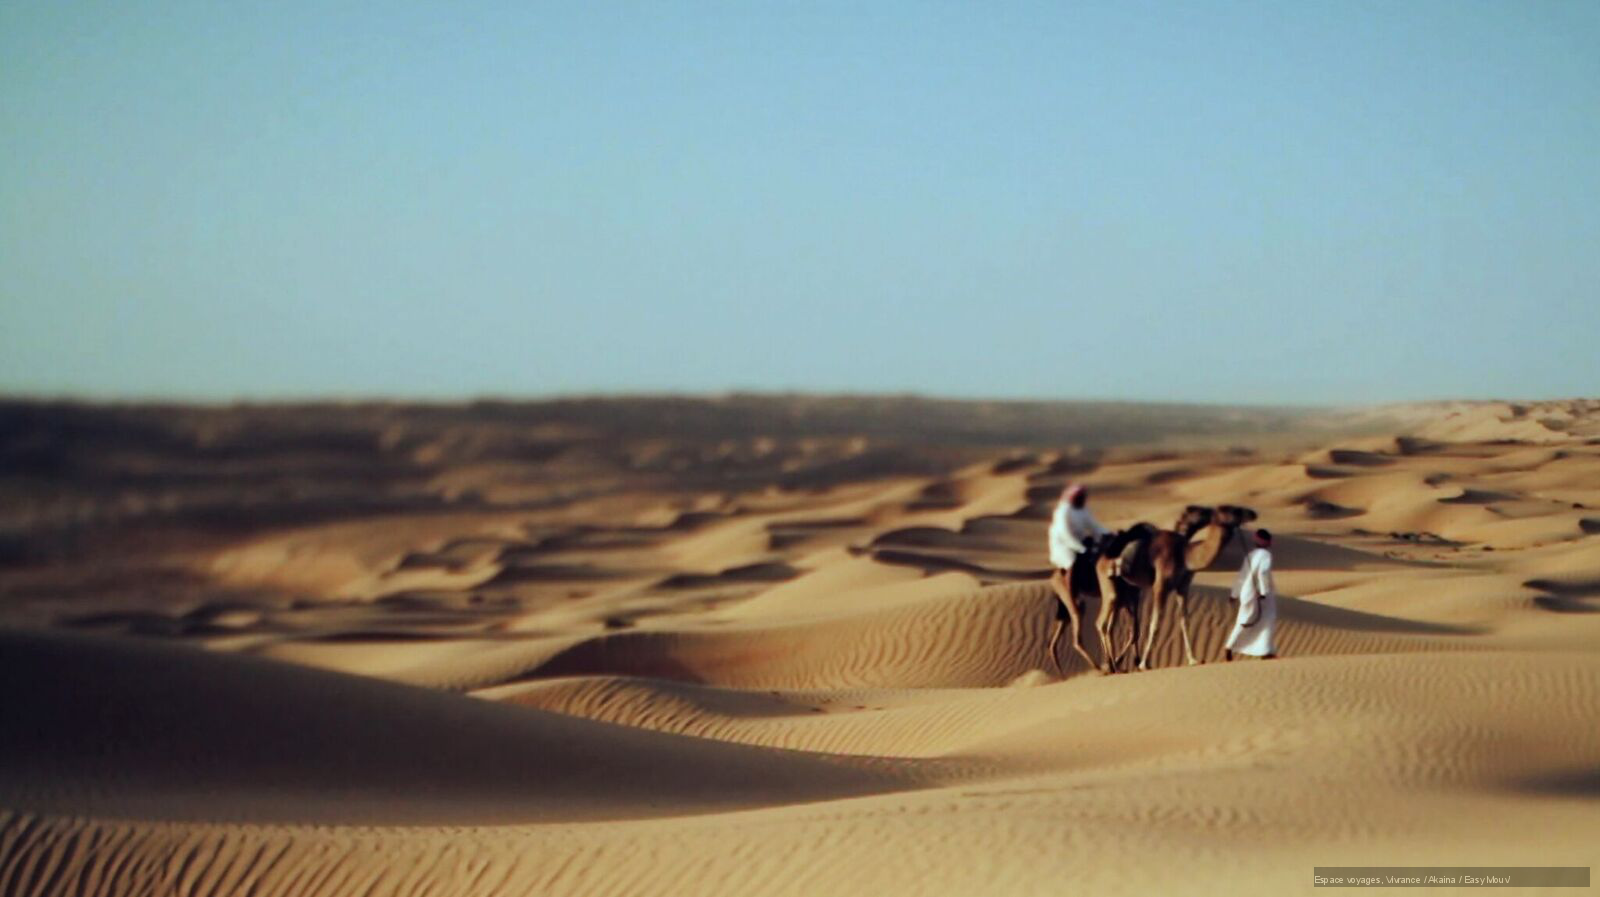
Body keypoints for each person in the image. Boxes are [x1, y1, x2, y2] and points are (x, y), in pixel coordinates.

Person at [1045, 484, 1112, 671]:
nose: (1082, 499)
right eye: (1079, 496)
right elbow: (1065, 534)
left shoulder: (1082, 511)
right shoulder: (1063, 512)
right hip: (1064, 548)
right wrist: (1082, 547)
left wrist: (1106, 534)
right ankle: (1072, 592)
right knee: (1073, 561)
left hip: (1081, 543)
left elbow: (1094, 525)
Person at [1225, 528, 1278, 661]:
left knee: (1246, 619)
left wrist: (1234, 593)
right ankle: (1231, 646)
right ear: (1266, 541)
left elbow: (1241, 576)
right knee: (1266, 619)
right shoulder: (1265, 555)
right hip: (1258, 594)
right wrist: (1264, 592)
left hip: (1246, 592)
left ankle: (1265, 650)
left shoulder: (1251, 555)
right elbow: (1263, 573)